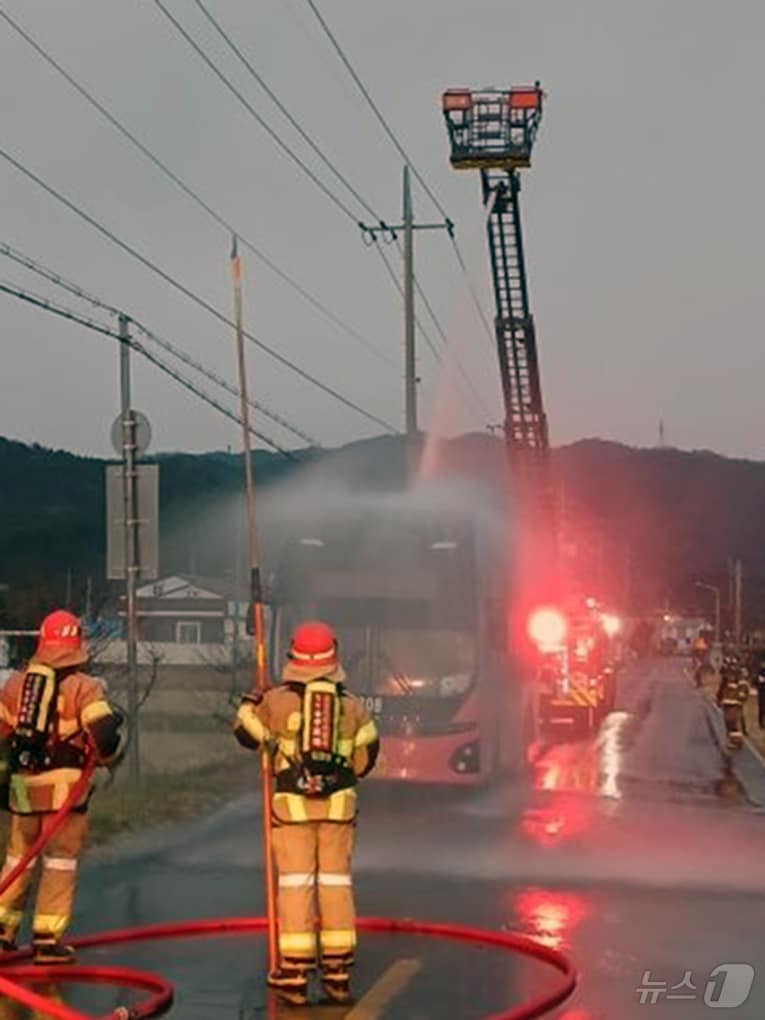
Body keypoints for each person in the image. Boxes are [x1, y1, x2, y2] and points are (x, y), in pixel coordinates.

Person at [234, 620, 380, 1006]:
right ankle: (337, 974)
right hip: (339, 811)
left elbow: (244, 733)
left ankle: (295, 974)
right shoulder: (352, 706)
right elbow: (367, 759)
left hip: (292, 809)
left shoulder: (277, 701)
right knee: (335, 886)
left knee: (296, 885)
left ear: (292, 657)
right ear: (334, 657)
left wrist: (253, 700)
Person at [0, 610, 122, 963]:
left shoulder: (15, 686)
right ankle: (47, 940)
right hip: (64, 792)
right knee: (59, 861)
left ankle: (3, 932)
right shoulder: (84, 687)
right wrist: (109, 756)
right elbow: (103, 736)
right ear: (76, 643)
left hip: (23, 789)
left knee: (17, 859)